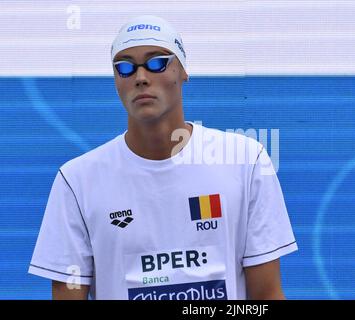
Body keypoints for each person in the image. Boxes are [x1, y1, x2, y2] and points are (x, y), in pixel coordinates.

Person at [28, 15, 297, 300]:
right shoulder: (78, 181)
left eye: (157, 62)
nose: (141, 78)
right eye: (125, 67)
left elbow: (266, 295)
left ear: (183, 71)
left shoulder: (245, 161)